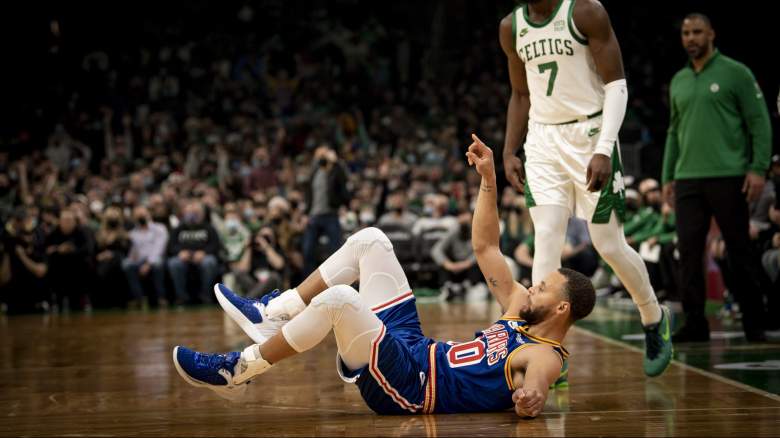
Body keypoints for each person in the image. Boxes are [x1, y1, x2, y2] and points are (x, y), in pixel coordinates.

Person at [173, 136, 596, 418]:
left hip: (413, 387)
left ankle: (237, 371)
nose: (533, 284)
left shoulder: (545, 355)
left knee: (341, 299)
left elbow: (537, 383)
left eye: (544, 286)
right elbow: (486, 248)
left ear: (562, 307)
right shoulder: (519, 306)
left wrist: (531, 398)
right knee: (371, 240)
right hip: (415, 348)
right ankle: (274, 313)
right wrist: (488, 181)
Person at [499, 0, 672, 377]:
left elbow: (617, 85)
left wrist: (604, 147)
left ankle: (653, 317)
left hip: (590, 131)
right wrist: (509, 149)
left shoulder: (585, 12)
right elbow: (521, 94)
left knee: (608, 244)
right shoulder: (511, 27)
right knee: (545, 237)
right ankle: (546, 352)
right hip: (543, 140)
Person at [662, 13, 772, 342]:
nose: (691, 38)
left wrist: (758, 168)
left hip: (729, 176)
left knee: (740, 251)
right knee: (688, 253)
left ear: (711, 34)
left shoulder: (736, 73)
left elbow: (759, 122)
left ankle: (755, 320)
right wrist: (668, 175)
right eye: (685, 33)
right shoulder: (679, 79)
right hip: (687, 179)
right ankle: (696, 323)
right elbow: (673, 131)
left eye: (697, 32)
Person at [302, 146, 350, 275]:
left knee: (336, 250)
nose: (320, 158)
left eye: (323, 155)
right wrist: (306, 213)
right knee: (307, 251)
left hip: (330, 214)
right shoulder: (314, 173)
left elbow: (344, 182)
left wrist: (336, 162)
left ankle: (339, 279)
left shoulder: (335, 170)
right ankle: (308, 285)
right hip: (314, 216)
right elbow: (309, 194)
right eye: (318, 156)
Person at [166, 201, 221, 304]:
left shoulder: (209, 228)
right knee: (174, 263)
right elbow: (171, 246)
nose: (193, 215)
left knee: (209, 262)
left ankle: (205, 296)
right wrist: (180, 252)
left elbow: (215, 245)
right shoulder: (178, 228)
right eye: (190, 212)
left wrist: (204, 252)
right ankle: (182, 297)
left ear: (202, 214)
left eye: (196, 212)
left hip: (203, 257)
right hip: (183, 257)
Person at [123, 205, 169, 307]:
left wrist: (148, 264)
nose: (141, 217)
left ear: (148, 214)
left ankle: (161, 297)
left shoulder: (159, 228)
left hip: (155, 259)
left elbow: (158, 249)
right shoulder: (133, 233)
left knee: (157, 264)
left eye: (143, 214)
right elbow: (133, 252)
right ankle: (139, 298)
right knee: (126, 264)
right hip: (139, 260)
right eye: (138, 215)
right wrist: (133, 257)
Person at [93, 206, 130, 309]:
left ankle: (117, 301)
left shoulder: (124, 234)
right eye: (110, 216)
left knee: (111, 265)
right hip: (102, 260)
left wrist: (113, 253)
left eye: (115, 216)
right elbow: (95, 251)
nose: (112, 219)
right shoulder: (99, 234)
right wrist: (100, 256)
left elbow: (126, 250)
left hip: (118, 260)